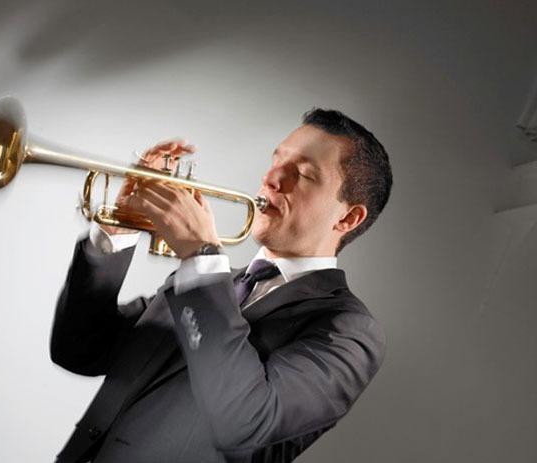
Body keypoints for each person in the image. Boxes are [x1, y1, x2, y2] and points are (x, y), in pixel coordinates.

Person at [50, 108, 393, 463]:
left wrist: (200, 258)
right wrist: (117, 233)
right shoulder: (209, 283)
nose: (271, 178)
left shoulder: (350, 331)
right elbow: (78, 351)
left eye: (303, 174)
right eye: (276, 160)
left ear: (348, 217)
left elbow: (245, 422)